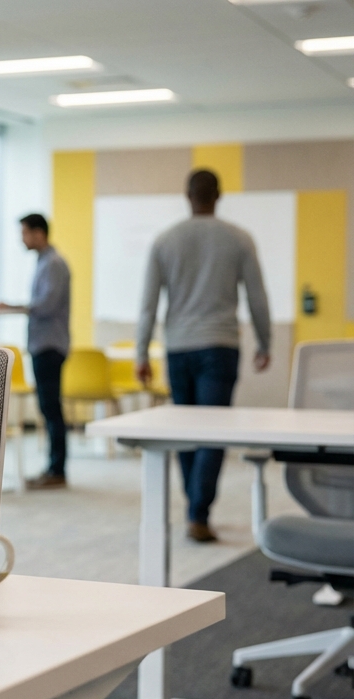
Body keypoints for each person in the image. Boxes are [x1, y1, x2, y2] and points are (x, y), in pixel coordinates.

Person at [136, 169, 271, 543]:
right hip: (220, 346)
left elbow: (148, 305)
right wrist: (265, 341)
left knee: (186, 431)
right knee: (213, 432)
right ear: (219, 195)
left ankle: (194, 507)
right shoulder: (239, 239)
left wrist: (141, 352)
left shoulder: (165, 240)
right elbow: (257, 296)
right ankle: (199, 511)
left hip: (178, 348)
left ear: (187, 195)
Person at [0, 214, 71, 490]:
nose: (22, 239)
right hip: (44, 344)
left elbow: (46, 305)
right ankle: (54, 468)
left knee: (51, 408)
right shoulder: (44, 262)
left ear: (39, 233)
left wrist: (13, 307)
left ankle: (57, 469)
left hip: (50, 345)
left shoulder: (53, 264)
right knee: (49, 407)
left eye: (25, 233)